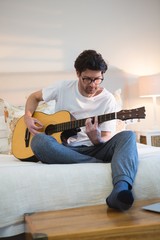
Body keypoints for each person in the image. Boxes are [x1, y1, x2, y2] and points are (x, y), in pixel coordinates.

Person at [24, 49, 138, 211]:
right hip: (64, 148)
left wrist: (95, 138)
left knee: (128, 136)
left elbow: (105, 138)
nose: (92, 85)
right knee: (39, 141)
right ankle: (97, 165)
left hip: (95, 149)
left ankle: (120, 190)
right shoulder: (62, 87)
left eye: (98, 79)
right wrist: (28, 117)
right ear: (78, 73)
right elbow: (33, 97)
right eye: (87, 79)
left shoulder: (108, 99)